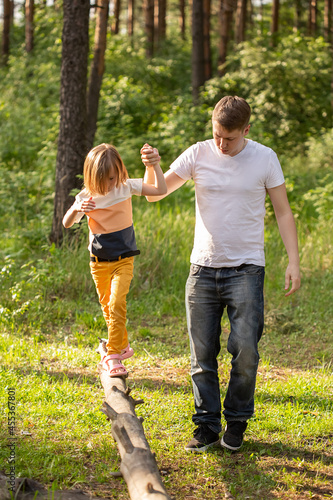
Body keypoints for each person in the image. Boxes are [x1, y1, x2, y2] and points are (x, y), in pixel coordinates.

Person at [141, 96, 301, 452]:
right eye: (216, 135)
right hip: (202, 269)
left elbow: (283, 212)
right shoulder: (197, 153)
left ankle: (237, 421)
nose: (221, 144)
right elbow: (156, 193)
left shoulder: (265, 158)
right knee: (202, 355)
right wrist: (153, 166)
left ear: (246, 129)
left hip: (246, 268)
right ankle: (207, 426)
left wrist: (293, 261)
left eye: (228, 138)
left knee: (246, 351)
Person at [63, 143, 166, 377]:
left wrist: (154, 165)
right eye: (104, 180)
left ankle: (113, 355)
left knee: (117, 303)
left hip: (124, 259)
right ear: (91, 177)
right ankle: (123, 346)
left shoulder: (125, 187)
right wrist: (77, 208)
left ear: (119, 172)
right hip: (98, 262)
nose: (110, 185)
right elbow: (67, 223)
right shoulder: (86, 197)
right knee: (108, 309)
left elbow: (159, 189)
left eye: (112, 178)